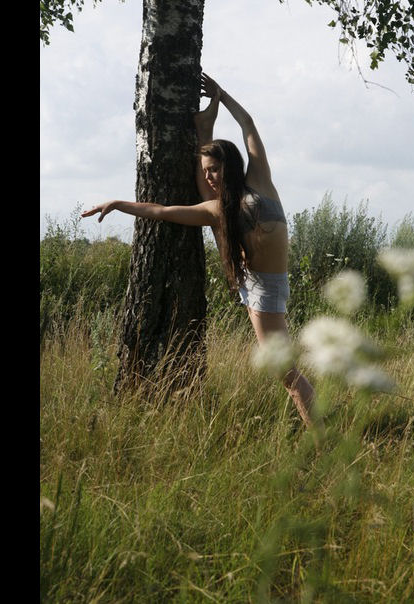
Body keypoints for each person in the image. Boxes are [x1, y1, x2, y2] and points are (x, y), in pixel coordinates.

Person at [82, 73, 318, 430]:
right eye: (206, 170)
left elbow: (248, 124)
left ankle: (321, 433)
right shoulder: (218, 208)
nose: (209, 176)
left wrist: (222, 95)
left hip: (265, 289)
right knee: (216, 209)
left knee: (285, 372)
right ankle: (204, 129)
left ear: (230, 165)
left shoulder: (259, 181)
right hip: (253, 281)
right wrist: (117, 204)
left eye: (215, 169)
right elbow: (161, 210)